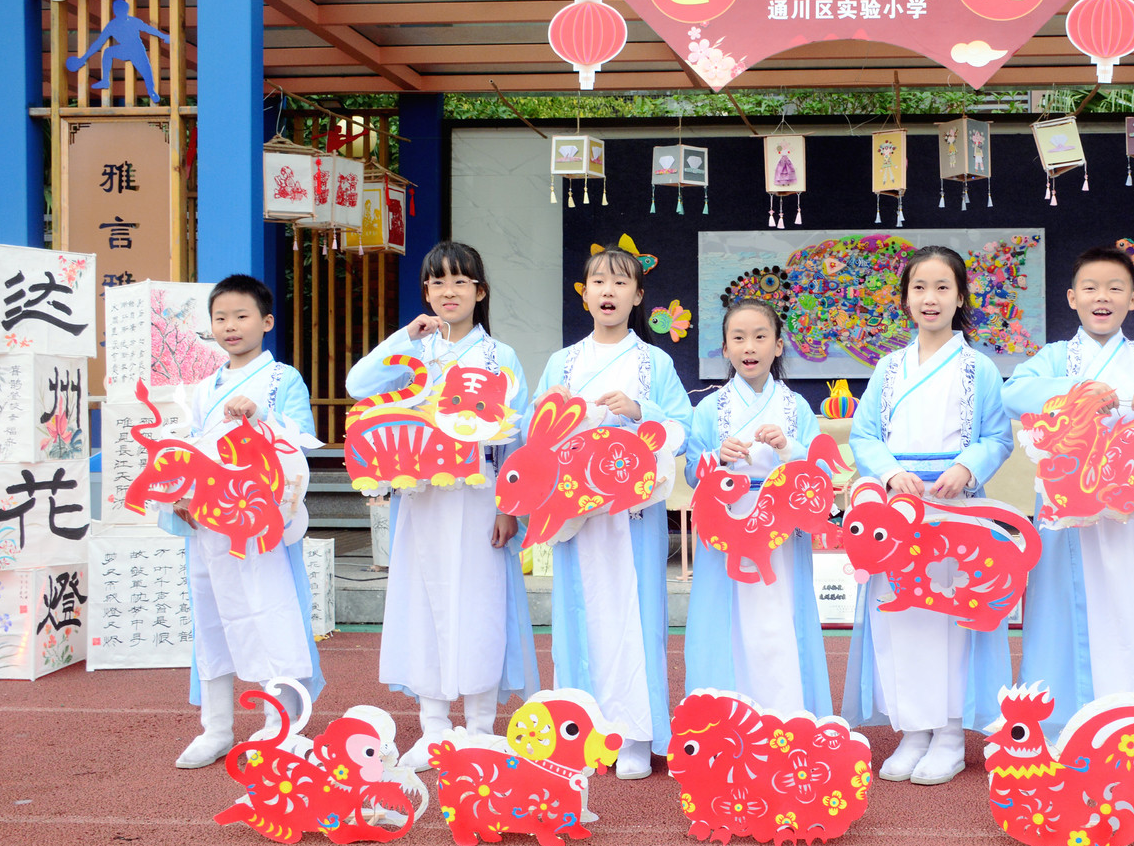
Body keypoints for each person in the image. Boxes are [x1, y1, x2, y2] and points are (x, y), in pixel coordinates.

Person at [1001, 246, 1134, 753]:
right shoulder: (1056, 358)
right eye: (1091, 288)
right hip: (1071, 510)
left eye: (1115, 288)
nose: (1103, 297)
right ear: (1071, 298)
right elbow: (1013, 393)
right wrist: (1075, 391)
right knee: (1061, 613)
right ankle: (1063, 730)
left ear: (1133, 300)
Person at [347, 241, 538, 771]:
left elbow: (518, 438)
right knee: (423, 602)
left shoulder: (500, 357)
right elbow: (358, 385)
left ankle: (479, 728)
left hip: (480, 496)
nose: (448, 292)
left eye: (460, 282)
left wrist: (509, 506)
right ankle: (433, 727)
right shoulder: (414, 352)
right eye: (437, 282)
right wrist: (404, 337)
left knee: (481, 605)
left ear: (480, 291)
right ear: (426, 292)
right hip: (422, 497)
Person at [842, 246, 1015, 786]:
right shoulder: (888, 367)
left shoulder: (979, 368)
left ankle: (950, 735)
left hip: (955, 508)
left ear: (960, 297)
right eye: (919, 287)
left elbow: (998, 437)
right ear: (905, 298)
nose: (930, 298)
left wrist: (967, 468)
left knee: (952, 615)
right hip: (898, 511)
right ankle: (913, 730)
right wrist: (891, 473)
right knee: (901, 615)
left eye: (943, 287)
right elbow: (864, 435)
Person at [534, 245, 692, 779]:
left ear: (638, 296)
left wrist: (641, 411)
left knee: (635, 619)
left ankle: (636, 735)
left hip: (632, 515)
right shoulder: (562, 362)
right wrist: (555, 416)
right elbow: (536, 432)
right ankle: (580, 731)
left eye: (621, 282)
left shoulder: (655, 362)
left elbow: (682, 427)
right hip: (576, 514)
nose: (608, 290)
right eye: (598, 281)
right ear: (585, 294)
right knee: (578, 615)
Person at [169, 275, 324, 769]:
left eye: (241, 316)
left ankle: (281, 722)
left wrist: (261, 416)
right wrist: (182, 492)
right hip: (209, 522)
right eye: (220, 318)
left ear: (266, 321)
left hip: (259, 522)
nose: (230, 326)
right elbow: (191, 449)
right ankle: (216, 727)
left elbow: (303, 440)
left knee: (269, 612)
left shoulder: (281, 379)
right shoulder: (202, 389)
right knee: (211, 618)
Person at [683, 298, 834, 717]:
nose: (749, 347)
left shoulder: (795, 407)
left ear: (778, 345)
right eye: (738, 338)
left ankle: (786, 715)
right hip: (727, 528)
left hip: (780, 530)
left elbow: (820, 474)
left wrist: (790, 448)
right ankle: (728, 716)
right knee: (727, 620)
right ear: (725, 348)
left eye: (760, 336)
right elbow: (692, 472)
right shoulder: (710, 408)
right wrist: (718, 456)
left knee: (779, 618)